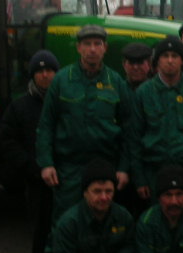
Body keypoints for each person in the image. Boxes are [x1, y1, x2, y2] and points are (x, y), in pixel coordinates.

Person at [36, 24, 134, 216]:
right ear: (78, 48)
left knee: (103, 219)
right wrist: (46, 163)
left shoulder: (116, 82)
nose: (92, 49)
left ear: (105, 48)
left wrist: (124, 168)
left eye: (97, 44)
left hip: (106, 167)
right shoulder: (62, 80)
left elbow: (129, 130)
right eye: (87, 44)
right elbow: (46, 125)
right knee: (66, 219)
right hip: (69, 169)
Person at [0, 49, 59, 253]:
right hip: (37, 180)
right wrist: (30, 168)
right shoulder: (20, 106)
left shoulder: (66, 101)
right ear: (33, 76)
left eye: (49, 71)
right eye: (40, 71)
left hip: (65, 178)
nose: (45, 76)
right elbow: (7, 140)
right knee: (41, 230)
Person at [130, 35, 183, 205]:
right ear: (157, 61)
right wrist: (139, 179)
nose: (170, 61)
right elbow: (134, 139)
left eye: (175, 56)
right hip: (154, 170)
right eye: (165, 56)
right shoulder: (143, 93)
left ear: (182, 61)